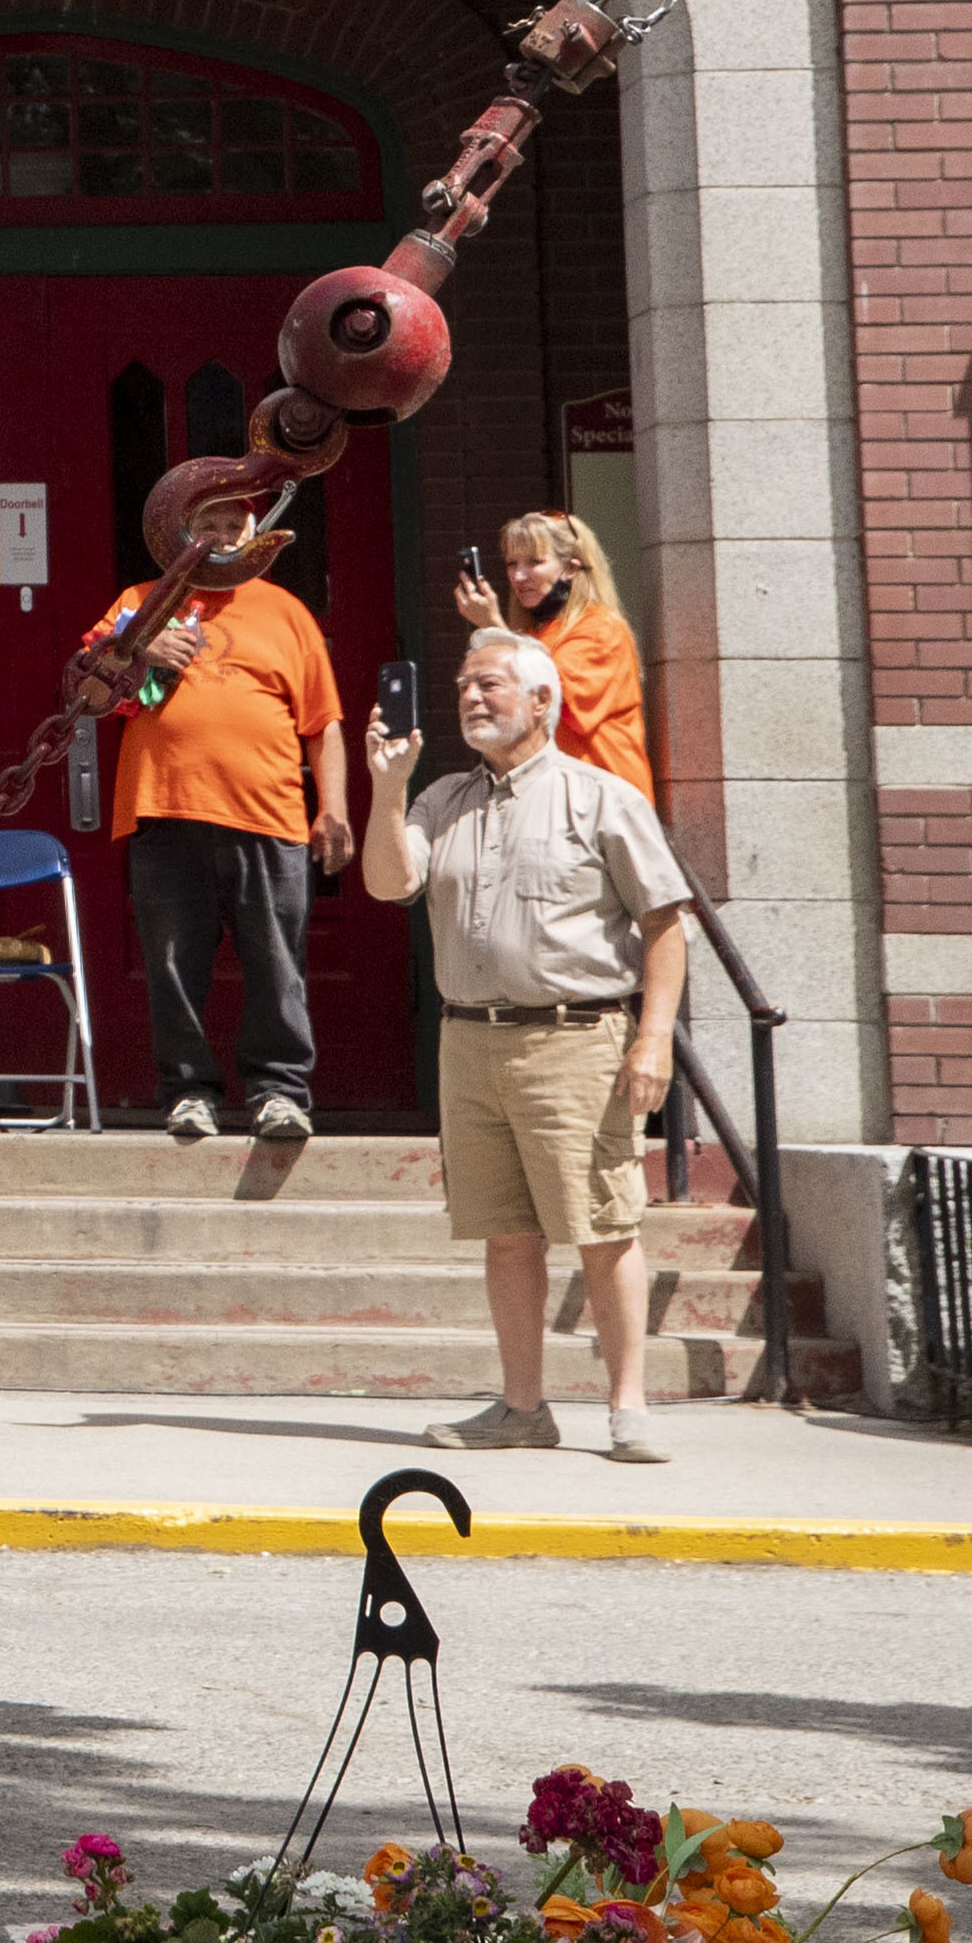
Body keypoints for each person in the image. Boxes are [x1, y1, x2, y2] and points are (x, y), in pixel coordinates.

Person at [365, 624, 696, 1464]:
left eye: (491, 685)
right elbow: (387, 881)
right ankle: (522, 1407)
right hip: (470, 1043)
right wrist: (386, 788)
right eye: (465, 684)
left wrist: (653, 1039)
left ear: (543, 700)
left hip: (575, 1039)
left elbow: (665, 926)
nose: (471, 697)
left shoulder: (601, 797)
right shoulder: (440, 798)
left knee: (602, 1226)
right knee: (506, 1233)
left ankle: (629, 1408)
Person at [104, 507, 349, 1151]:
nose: (219, 537)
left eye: (230, 523)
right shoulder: (139, 601)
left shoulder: (286, 610)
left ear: (253, 531)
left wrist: (334, 808)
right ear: (181, 532)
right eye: (205, 523)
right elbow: (89, 693)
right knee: (173, 965)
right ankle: (189, 1092)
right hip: (165, 808)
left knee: (276, 962)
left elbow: (323, 721)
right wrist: (138, 646)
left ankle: (279, 1093)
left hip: (268, 813)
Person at [445, 510, 656, 804]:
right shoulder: (533, 635)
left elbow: (544, 695)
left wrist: (492, 626)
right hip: (556, 801)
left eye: (534, 562)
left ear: (570, 568)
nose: (518, 576)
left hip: (605, 804)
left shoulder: (601, 629)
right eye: (511, 564)